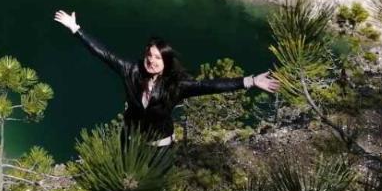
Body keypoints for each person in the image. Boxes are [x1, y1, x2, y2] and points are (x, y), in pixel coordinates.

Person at [53, 9, 280, 146]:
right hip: (130, 142)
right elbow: (103, 53)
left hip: (159, 147)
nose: (152, 61)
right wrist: (76, 29)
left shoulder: (176, 84)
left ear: (166, 63)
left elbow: (210, 85)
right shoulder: (130, 71)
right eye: (149, 56)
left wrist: (250, 81)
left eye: (158, 59)